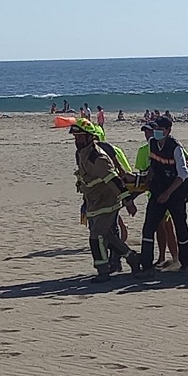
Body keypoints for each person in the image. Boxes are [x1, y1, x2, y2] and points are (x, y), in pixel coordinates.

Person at [70, 118, 140, 283]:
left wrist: (128, 201)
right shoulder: (81, 154)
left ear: (90, 137)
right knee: (107, 237)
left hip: (107, 202)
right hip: (93, 201)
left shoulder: (98, 158)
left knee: (96, 236)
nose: (77, 140)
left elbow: (114, 180)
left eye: (80, 137)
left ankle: (103, 271)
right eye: (75, 137)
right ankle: (133, 258)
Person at [138, 116, 188, 278]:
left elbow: (183, 173)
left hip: (176, 192)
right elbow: (153, 166)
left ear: (168, 131)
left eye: (160, 130)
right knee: (148, 228)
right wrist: (147, 180)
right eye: (155, 129)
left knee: (180, 227)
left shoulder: (176, 147)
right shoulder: (152, 144)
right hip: (157, 190)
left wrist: (168, 193)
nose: (156, 133)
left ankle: (186, 264)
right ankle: (146, 266)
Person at [135, 122, 179, 268]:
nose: (148, 134)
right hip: (153, 193)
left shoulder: (171, 146)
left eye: (150, 131)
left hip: (168, 192)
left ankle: (174, 257)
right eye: (145, 132)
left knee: (167, 225)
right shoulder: (143, 150)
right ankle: (162, 257)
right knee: (159, 226)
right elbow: (143, 172)